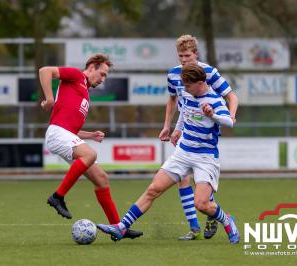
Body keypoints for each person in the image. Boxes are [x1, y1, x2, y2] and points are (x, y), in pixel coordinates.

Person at [97, 63, 240, 244]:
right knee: (153, 189)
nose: (185, 89)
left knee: (202, 204)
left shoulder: (215, 100)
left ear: (201, 82)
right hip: (183, 152)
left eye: (188, 85)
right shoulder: (188, 93)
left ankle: (227, 220)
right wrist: (176, 130)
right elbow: (183, 112)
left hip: (205, 157)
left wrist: (212, 116)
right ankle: (121, 227)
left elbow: (229, 122)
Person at [40, 53, 142, 240]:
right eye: (102, 74)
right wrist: (49, 99)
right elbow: (45, 71)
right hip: (57, 134)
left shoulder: (84, 92)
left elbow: (72, 129)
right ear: (92, 67)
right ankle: (58, 196)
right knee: (90, 155)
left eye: (105, 76)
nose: (103, 79)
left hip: (65, 134)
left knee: (102, 178)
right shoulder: (76, 75)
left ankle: (118, 228)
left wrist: (91, 135)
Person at [158, 34, 239, 240]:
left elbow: (231, 96)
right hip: (184, 126)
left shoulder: (208, 72)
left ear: (196, 54)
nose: (183, 60)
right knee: (182, 178)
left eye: (187, 55)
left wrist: (229, 116)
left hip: (203, 127)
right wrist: (169, 126)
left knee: (198, 180)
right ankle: (194, 228)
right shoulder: (173, 74)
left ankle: (211, 212)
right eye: (180, 56)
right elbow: (173, 100)